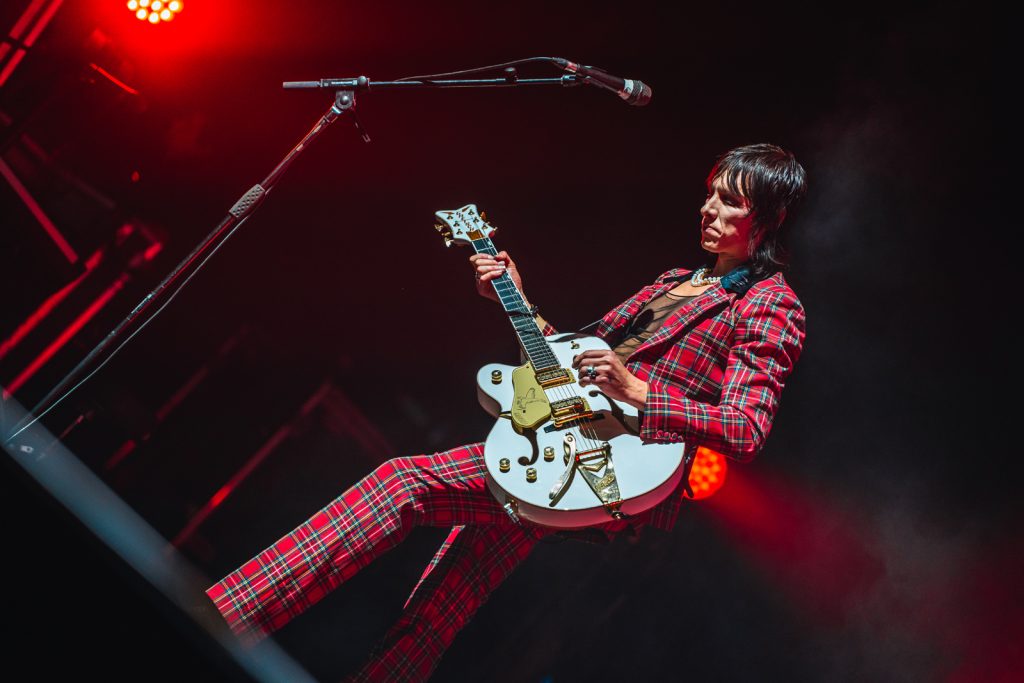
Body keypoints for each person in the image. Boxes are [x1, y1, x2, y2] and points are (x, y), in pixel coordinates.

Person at [205, 143, 808, 681]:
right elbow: (563, 360)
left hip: (616, 467)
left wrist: (641, 393)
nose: (708, 209)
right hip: (557, 447)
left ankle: (214, 619)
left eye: (729, 202)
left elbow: (746, 428)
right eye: (709, 195)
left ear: (769, 219)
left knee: (402, 484)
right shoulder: (674, 281)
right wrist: (513, 295)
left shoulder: (772, 303)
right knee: (442, 603)